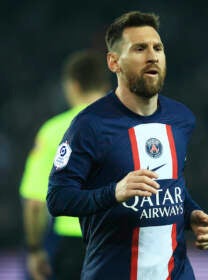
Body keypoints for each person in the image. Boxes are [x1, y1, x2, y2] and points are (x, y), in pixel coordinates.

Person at [47, 11, 208, 280]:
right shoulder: (90, 125)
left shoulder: (181, 119)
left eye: (157, 48)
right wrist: (114, 192)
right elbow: (57, 199)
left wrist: (191, 213)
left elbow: (171, 187)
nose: (152, 56)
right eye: (140, 48)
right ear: (114, 62)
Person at [20, 50, 111, 280]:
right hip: (122, 242)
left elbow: (34, 203)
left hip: (73, 247)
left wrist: (34, 250)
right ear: (105, 84)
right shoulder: (131, 126)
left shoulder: (53, 131)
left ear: (72, 86)